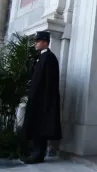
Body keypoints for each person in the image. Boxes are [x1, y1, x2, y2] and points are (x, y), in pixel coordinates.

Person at [21, 31, 62, 164]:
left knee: (41, 128)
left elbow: (50, 83)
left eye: (38, 41)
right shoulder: (40, 58)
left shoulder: (49, 58)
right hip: (36, 101)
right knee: (35, 127)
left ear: (45, 42)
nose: (35, 44)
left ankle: (38, 155)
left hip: (43, 102)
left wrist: (46, 102)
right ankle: (34, 152)